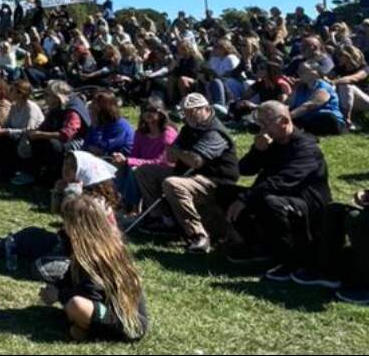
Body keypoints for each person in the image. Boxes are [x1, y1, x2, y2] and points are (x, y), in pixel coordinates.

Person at [219, 101, 332, 282]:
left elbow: (283, 182)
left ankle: (290, 261)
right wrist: (257, 150)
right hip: (277, 195)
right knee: (224, 191)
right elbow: (244, 169)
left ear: (284, 122)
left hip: (307, 204)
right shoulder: (272, 143)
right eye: (260, 122)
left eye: (266, 123)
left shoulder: (306, 148)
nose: (261, 128)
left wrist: (246, 199)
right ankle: (260, 246)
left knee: (270, 202)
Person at [135, 93, 239, 254]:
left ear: (206, 109)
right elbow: (170, 156)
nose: (189, 115)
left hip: (214, 179)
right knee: (145, 172)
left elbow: (195, 161)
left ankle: (198, 235)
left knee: (172, 184)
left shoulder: (215, 132)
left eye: (193, 111)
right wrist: (177, 151)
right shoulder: (188, 128)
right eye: (185, 111)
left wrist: (177, 150)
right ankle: (165, 220)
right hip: (190, 174)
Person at [39, 195, 149, 343]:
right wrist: (55, 287)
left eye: (66, 223)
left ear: (78, 226)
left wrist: (59, 295)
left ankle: (89, 333)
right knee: (73, 306)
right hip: (107, 313)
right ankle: (85, 329)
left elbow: (90, 295)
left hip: (129, 324)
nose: (63, 228)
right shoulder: (82, 249)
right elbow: (71, 279)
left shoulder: (98, 256)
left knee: (76, 305)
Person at [112, 99, 178, 213]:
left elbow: (163, 161)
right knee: (121, 166)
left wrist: (131, 161)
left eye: (152, 110)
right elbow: (134, 155)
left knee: (134, 170)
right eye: (144, 110)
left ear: (161, 113)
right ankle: (121, 202)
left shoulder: (168, 133)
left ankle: (132, 207)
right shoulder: (140, 133)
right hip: (143, 167)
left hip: (162, 169)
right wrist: (123, 160)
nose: (148, 114)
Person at [289, 62, 346, 136]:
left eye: (303, 70)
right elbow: (289, 104)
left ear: (315, 73)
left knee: (327, 118)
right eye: (299, 70)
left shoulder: (323, 87)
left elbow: (309, 106)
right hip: (307, 119)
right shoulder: (299, 88)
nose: (299, 73)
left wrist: (288, 117)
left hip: (328, 120)